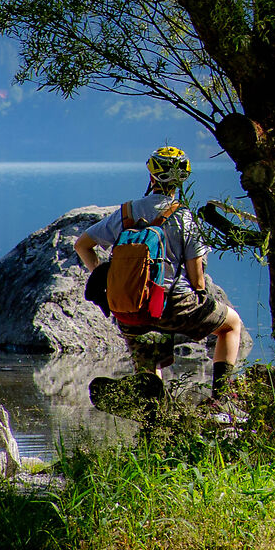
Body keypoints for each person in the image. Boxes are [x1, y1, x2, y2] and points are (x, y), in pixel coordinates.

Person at [76, 146, 246, 394]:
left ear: (152, 176)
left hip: (131, 307)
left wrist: (107, 276)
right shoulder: (184, 218)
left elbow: (82, 245)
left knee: (148, 366)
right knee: (232, 325)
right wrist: (198, 297)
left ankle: (153, 413)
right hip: (174, 304)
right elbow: (197, 278)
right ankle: (221, 401)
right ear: (182, 180)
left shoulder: (127, 212)